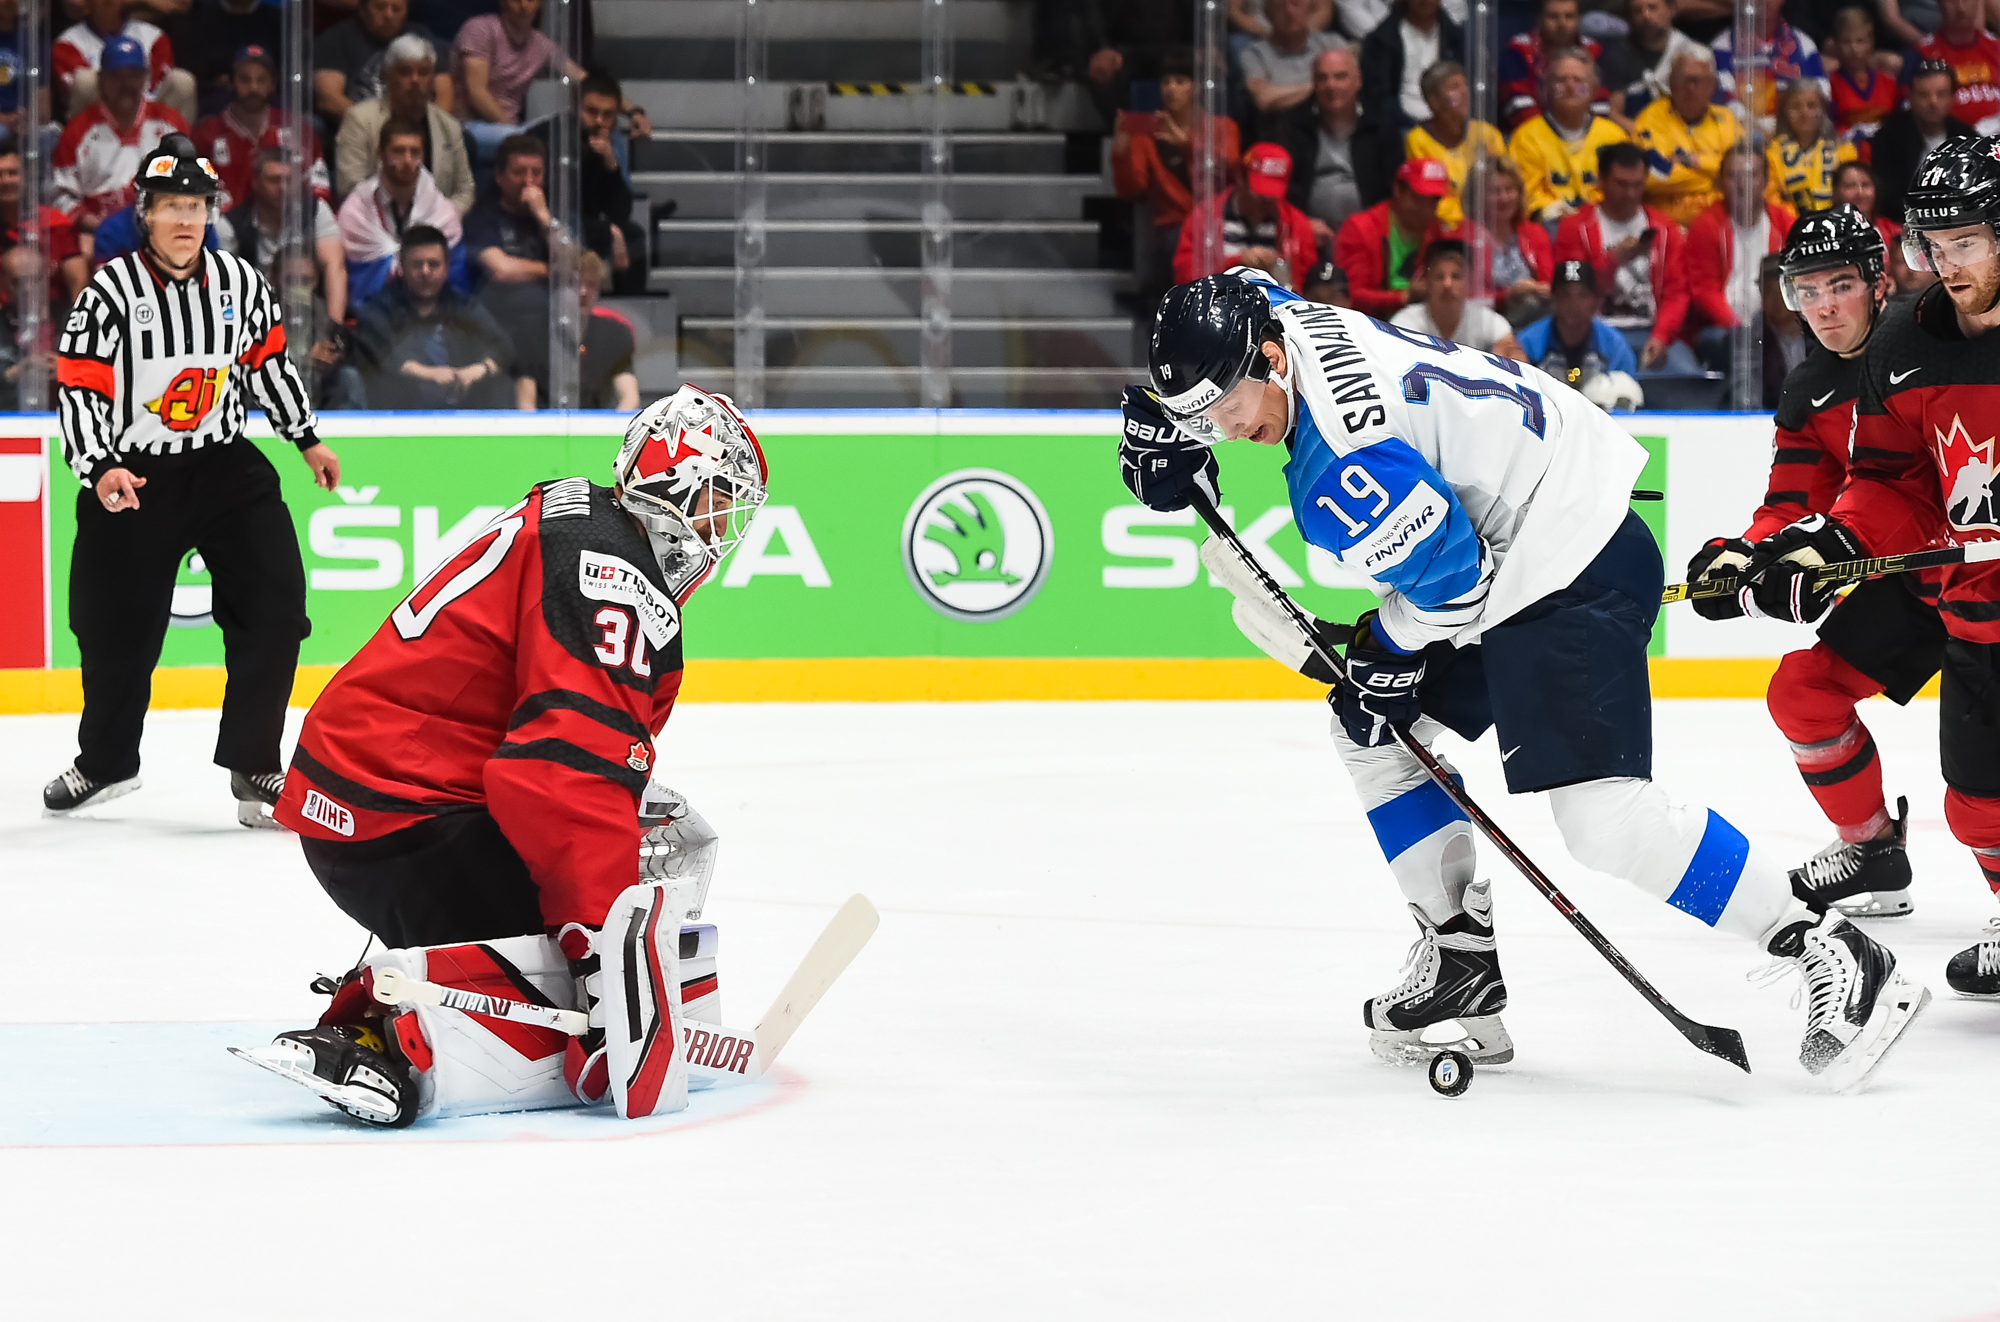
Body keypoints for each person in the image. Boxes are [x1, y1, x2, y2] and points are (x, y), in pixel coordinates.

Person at [1118, 270, 1928, 1089]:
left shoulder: (1341, 466)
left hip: (1565, 554)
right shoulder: (1278, 319)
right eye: (1204, 420)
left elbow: (1454, 586)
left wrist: (1385, 652)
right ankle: (1459, 958)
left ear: (1269, 358)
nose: (1226, 430)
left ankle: (1830, 946)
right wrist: (1166, 417)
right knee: (1370, 733)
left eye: (1227, 410)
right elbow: (1249, 281)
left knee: (1602, 820)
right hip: (1531, 512)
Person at [249, 386, 767, 1126]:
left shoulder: (580, 516)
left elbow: (546, 736)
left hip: (373, 791)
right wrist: (599, 958)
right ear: (680, 480)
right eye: (721, 500)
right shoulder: (616, 574)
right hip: (400, 815)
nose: (722, 529)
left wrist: (624, 804)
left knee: (582, 895)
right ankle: (387, 1043)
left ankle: (401, 999)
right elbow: (560, 772)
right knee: (566, 959)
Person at [1751, 137, 2000, 997]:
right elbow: (1858, 488)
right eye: (1936, 247)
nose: (1822, 307)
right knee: (1968, 798)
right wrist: (1786, 553)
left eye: (1968, 242)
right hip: (1948, 593)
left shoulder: (1915, 340)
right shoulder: (1871, 361)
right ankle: (1870, 852)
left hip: (1966, 583)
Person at [45, 133, 337, 828]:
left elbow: (269, 364)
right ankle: (107, 761)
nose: (185, 220)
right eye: (172, 205)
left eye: (197, 206)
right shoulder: (110, 292)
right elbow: (79, 390)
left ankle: (254, 762)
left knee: (275, 602)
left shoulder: (240, 283)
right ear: (145, 212)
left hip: (222, 464)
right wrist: (99, 466)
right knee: (113, 627)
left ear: (211, 214)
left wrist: (306, 437)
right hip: (133, 475)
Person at [1684, 208, 1929, 918]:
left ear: (1879, 282)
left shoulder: (1938, 342)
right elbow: (1792, 500)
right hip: (1916, 583)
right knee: (1802, 691)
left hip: (1984, 574)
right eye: (1806, 290)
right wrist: (1743, 551)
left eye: (1840, 285)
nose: (1822, 307)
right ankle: (1871, 851)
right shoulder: (1811, 386)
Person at [1557, 140, 1696, 371]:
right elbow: (1570, 294)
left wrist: (1661, 335)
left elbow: (1677, 293)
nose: (1631, 193)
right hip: (1594, 335)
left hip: (1651, 332)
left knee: (1687, 380)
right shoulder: (1575, 228)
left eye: (1638, 185)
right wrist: (1614, 260)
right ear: (1601, 181)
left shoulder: (1664, 229)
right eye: (1621, 184)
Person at [347, 222, 515, 409]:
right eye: (417, 265)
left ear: (447, 267)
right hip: (398, 412)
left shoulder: (465, 305)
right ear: (401, 266)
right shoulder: (378, 306)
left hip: (462, 411)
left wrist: (477, 371)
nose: (425, 272)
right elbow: (376, 353)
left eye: (433, 264)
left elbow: (504, 347)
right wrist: (429, 374)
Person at [1113, 48, 1237, 295]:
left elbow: (1228, 174)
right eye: (1166, 82)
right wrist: (1120, 154)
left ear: (1197, 88)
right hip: (1174, 228)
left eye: (1180, 82)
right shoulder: (1147, 135)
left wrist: (1188, 144)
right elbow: (1132, 189)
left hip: (1220, 223)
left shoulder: (1223, 128)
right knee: (1180, 243)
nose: (1171, 89)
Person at [50, 35, 191, 239]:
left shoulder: (171, 124)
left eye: (133, 75)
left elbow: (191, 181)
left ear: (145, 78)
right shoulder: (77, 131)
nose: (126, 84)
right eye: (116, 76)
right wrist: (95, 225)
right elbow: (60, 195)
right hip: (100, 234)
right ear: (101, 80)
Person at [464, 132, 563, 404]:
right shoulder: (481, 218)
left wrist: (543, 217)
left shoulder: (553, 216)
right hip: (497, 320)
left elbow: (575, 265)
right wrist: (551, 270)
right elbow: (502, 270)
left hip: (549, 323)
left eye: (536, 172)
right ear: (499, 176)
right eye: (519, 172)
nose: (529, 181)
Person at [1269, 47, 1402, 243]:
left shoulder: (1382, 127)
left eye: (1340, 77)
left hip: (1369, 236)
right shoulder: (1290, 127)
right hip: (1306, 235)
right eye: (1323, 78)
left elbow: (1394, 190)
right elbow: (1278, 191)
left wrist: (1369, 226)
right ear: (1314, 83)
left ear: (1358, 81)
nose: (1331, 85)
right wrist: (1301, 224)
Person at [334, 32, 475, 216]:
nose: (415, 80)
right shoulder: (359, 120)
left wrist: (441, 217)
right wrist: (397, 218)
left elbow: (465, 190)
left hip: (436, 229)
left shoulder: (448, 126)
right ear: (386, 77)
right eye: (405, 72)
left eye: (423, 72)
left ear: (433, 79)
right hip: (376, 227)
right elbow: (350, 185)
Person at [531, 72, 644, 296]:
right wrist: (606, 229)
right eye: (592, 112)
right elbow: (562, 200)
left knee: (633, 234)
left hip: (590, 223)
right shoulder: (549, 135)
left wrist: (611, 163)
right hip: (552, 220)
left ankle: (629, 305)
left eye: (608, 114)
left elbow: (621, 211)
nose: (600, 121)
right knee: (576, 226)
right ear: (576, 106)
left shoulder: (606, 146)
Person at [1686, 143, 1796, 371]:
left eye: (1751, 176)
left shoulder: (1785, 224)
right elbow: (1703, 289)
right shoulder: (1706, 225)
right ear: (1720, 182)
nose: (1742, 185)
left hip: (1777, 327)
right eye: (1733, 176)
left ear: (1766, 181)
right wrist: (1739, 327)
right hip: (1723, 329)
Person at [337, 119, 465, 305]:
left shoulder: (443, 212)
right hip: (370, 319)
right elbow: (348, 276)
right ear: (380, 153)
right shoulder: (355, 211)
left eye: (415, 152)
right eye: (398, 151)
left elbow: (455, 281)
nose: (407, 160)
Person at [192, 44, 331, 214]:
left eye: (261, 80)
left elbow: (318, 185)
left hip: (290, 223)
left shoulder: (297, 128)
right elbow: (196, 192)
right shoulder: (206, 135)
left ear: (272, 84)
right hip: (227, 229)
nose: (254, 88)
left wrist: (305, 215)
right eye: (245, 79)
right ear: (229, 82)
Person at [223, 149, 347, 325]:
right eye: (274, 180)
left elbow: (334, 267)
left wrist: (333, 328)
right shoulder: (230, 226)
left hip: (308, 312)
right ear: (256, 182)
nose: (282, 187)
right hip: (252, 316)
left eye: (289, 180)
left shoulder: (316, 211)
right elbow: (223, 286)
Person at [1507, 48, 1630, 226]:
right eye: (1561, 80)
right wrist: (1553, 212)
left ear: (1593, 88)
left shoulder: (1614, 136)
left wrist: (1592, 213)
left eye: (1578, 80)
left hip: (1605, 225)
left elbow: (1624, 189)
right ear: (1547, 88)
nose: (1570, 86)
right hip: (1550, 228)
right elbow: (1525, 195)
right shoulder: (1526, 137)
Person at [1173, 142, 1318, 288]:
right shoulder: (1205, 217)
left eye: (1272, 196)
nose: (1265, 203)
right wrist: (1238, 262)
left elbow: (1308, 286)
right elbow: (1186, 277)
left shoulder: (1297, 225)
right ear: (1240, 178)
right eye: (1259, 194)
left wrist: (1279, 268)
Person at [1633, 48, 1742, 228]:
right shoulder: (1650, 118)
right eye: (1684, 80)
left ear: (1713, 85)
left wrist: (1694, 161)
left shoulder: (1727, 120)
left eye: (1697, 81)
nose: (1691, 88)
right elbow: (1653, 176)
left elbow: (1742, 174)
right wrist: (1718, 178)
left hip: (1721, 221)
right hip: (1667, 223)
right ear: (1671, 82)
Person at [1516, 259, 1645, 409]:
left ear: (1595, 301)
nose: (1573, 302)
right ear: (1554, 299)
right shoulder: (1529, 343)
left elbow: (1628, 401)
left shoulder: (1614, 346)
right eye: (1565, 294)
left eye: (1582, 295)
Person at [1333, 155, 1450, 315]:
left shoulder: (1437, 231)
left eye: (1433, 201)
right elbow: (1348, 296)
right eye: (1418, 198)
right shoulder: (1360, 229)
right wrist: (1404, 296)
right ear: (1398, 190)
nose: (1425, 209)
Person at [54, 0, 195, 125]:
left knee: (182, 81)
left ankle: (177, 148)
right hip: (99, 127)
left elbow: (157, 87)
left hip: (149, 122)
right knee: (85, 80)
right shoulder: (67, 43)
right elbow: (75, 92)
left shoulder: (154, 37)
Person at [1870, 59, 1975, 222]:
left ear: (1953, 97)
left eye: (1941, 94)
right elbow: (1888, 197)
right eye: (1924, 95)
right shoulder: (1888, 138)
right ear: (1910, 97)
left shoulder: (1968, 138)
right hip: (1906, 225)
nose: (1933, 102)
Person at [316, 0, 451, 127]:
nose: (388, 15)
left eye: (396, 9)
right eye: (380, 7)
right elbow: (329, 99)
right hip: (358, 127)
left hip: (417, 129)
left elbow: (444, 93)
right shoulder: (337, 38)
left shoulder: (422, 37)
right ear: (363, 10)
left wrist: (427, 128)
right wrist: (379, 127)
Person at [1402, 61, 1504, 229]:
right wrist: (1464, 220)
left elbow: (1504, 180)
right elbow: (1430, 198)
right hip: (1446, 228)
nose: (1465, 91)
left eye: (1465, 84)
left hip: (1489, 222)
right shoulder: (1417, 140)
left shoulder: (1487, 134)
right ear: (1433, 101)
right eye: (1454, 87)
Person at [1390, 236, 1525, 356]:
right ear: (1428, 282)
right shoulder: (1405, 322)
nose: (1447, 284)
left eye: (1456, 277)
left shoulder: (1484, 319)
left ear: (1468, 283)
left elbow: (1513, 350)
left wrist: (1508, 354)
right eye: (1439, 277)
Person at [1713, 1, 1829, 137]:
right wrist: (1758, 127)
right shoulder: (1722, 46)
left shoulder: (1804, 44)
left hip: (1795, 135)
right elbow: (1722, 99)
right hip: (1742, 138)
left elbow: (1821, 95)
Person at [1465, 153, 1553, 326]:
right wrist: (1507, 296)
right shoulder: (1465, 236)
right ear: (1477, 197)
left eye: (1509, 189)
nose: (1504, 198)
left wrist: (1544, 290)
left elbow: (1548, 281)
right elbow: (1465, 297)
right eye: (1494, 192)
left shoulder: (1534, 232)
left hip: (1534, 321)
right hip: (1483, 325)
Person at [1496, 0, 1606, 130]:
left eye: (1569, 16)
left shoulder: (1593, 50)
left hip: (1584, 135)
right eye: (1553, 17)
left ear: (1578, 20)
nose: (1562, 24)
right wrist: (1552, 138)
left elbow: (1601, 104)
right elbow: (1519, 108)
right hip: (1533, 137)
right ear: (1540, 20)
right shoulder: (1519, 49)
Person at [1599, 0, 1703, 133]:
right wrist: (1645, 135)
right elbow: (1613, 113)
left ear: (1671, 10)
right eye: (1638, 11)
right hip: (1634, 135)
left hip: (1683, 135)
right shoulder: (1617, 53)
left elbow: (1700, 110)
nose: (1646, 15)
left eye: (1652, 8)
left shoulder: (1691, 53)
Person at [1358, 0, 1463, 131]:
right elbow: (1377, 98)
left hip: (1449, 129)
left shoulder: (1459, 41)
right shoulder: (1379, 41)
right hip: (1396, 130)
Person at [169, 0, 283, 119]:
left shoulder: (278, 20)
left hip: (267, 101)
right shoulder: (196, 16)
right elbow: (188, 67)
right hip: (208, 101)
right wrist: (214, 83)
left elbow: (287, 75)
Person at [1242, 0, 1346, 126]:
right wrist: (1321, 86)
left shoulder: (1333, 44)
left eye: (1296, 4)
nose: (1289, 11)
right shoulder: (1255, 54)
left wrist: (1280, 93)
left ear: (1310, 10)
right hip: (1281, 129)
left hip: (1330, 125)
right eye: (1279, 6)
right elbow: (1264, 99)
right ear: (1267, 13)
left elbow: (1348, 88)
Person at [1909, 0, 2000, 134]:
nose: (1961, 8)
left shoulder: (1996, 47)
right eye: (1952, 2)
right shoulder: (1921, 53)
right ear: (1940, 5)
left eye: (1966, 0)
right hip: (1947, 142)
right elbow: (1909, 111)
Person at [1767, 80, 1857, 215]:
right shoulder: (1771, 153)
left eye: (1811, 106)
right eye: (1796, 106)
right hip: (1790, 227)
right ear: (1785, 112)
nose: (1804, 113)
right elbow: (1771, 199)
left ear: (1823, 111)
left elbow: (1851, 195)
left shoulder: (1845, 151)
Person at [1827, 6, 1901, 149]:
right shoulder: (1830, 85)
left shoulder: (1889, 84)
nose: (1854, 49)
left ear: (1871, 42)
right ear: (1835, 45)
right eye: (1846, 42)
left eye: (1860, 41)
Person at [579, 250, 639, 411]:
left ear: (599, 288)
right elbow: (528, 407)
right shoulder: (537, 332)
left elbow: (630, 397)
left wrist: (613, 429)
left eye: (590, 285)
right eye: (576, 284)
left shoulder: (615, 334)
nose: (583, 292)